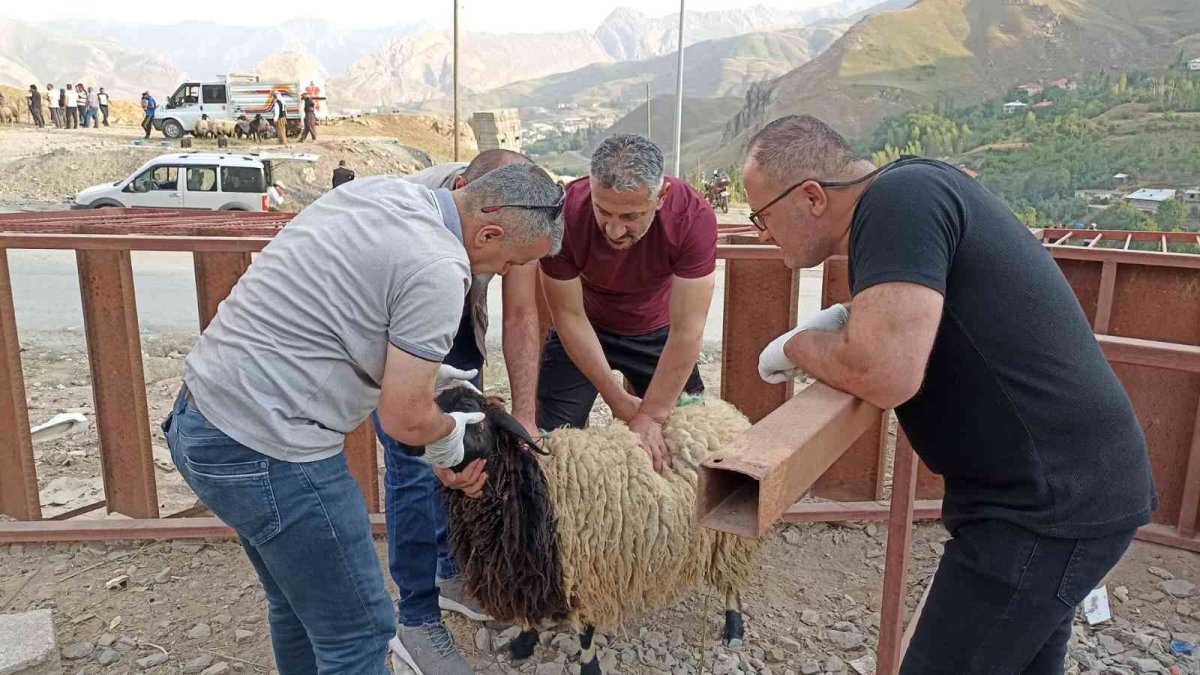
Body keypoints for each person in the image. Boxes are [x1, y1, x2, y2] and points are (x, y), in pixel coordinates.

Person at [741, 115, 1156, 674]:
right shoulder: (914, 190)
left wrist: (797, 345)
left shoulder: (897, 201)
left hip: (1042, 506)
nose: (762, 232)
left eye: (761, 216)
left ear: (812, 197)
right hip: (1065, 490)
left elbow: (883, 372)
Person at [162, 162, 564, 674]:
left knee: (300, 604)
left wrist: (441, 405)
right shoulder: (441, 267)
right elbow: (403, 417)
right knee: (360, 630)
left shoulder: (379, 195)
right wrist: (450, 440)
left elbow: (365, 329)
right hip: (271, 451)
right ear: (489, 231)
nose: (505, 274)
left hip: (202, 420)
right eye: (509, 262)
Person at [372, 149, 544, 674]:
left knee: (466, 457)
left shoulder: (526, 212)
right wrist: (416, 411)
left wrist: (525, 413)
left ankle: (450, 571)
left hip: (457, 325)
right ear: (468, 192)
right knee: (413, 468)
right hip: (399, 330)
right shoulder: (406, 211)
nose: (512, 264)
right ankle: (416, 616)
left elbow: (519, 315)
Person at [538, 134, 717, 470]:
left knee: (687, 436)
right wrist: (615, 397)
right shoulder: (564, 215)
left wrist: (651, 414)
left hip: (658, 330)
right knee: (553, 443)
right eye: (603, 211)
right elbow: (568, 316)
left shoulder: (693, 217)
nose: (615, 230)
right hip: (585, 328)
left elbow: (687, 330)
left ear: (661, 196)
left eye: (630, 216)